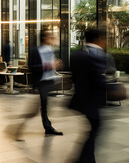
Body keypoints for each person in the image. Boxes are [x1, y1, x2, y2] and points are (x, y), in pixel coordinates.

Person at [17, 30, 63, 139]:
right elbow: (32, 67)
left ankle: (47, 127)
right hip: (41, 83)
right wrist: (49, 66)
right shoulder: (35, 51)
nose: (52, 37)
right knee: (36, 110)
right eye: (50, 36)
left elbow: (52, 68)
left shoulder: (50, 50)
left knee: (44, 107)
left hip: (49, 81)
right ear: (44, 38)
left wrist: (56, 66)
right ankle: (20, 129)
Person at [70, 28, 107, 163]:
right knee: (94, 129)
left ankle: (87, 159)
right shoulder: (97, 54)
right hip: (91, 100)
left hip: (81, 98)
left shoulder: (76, 54)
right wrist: (111, 89)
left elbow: (74, 78)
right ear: (98, 39)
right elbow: (98, 80)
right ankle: (83, 159)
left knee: (92, 129)